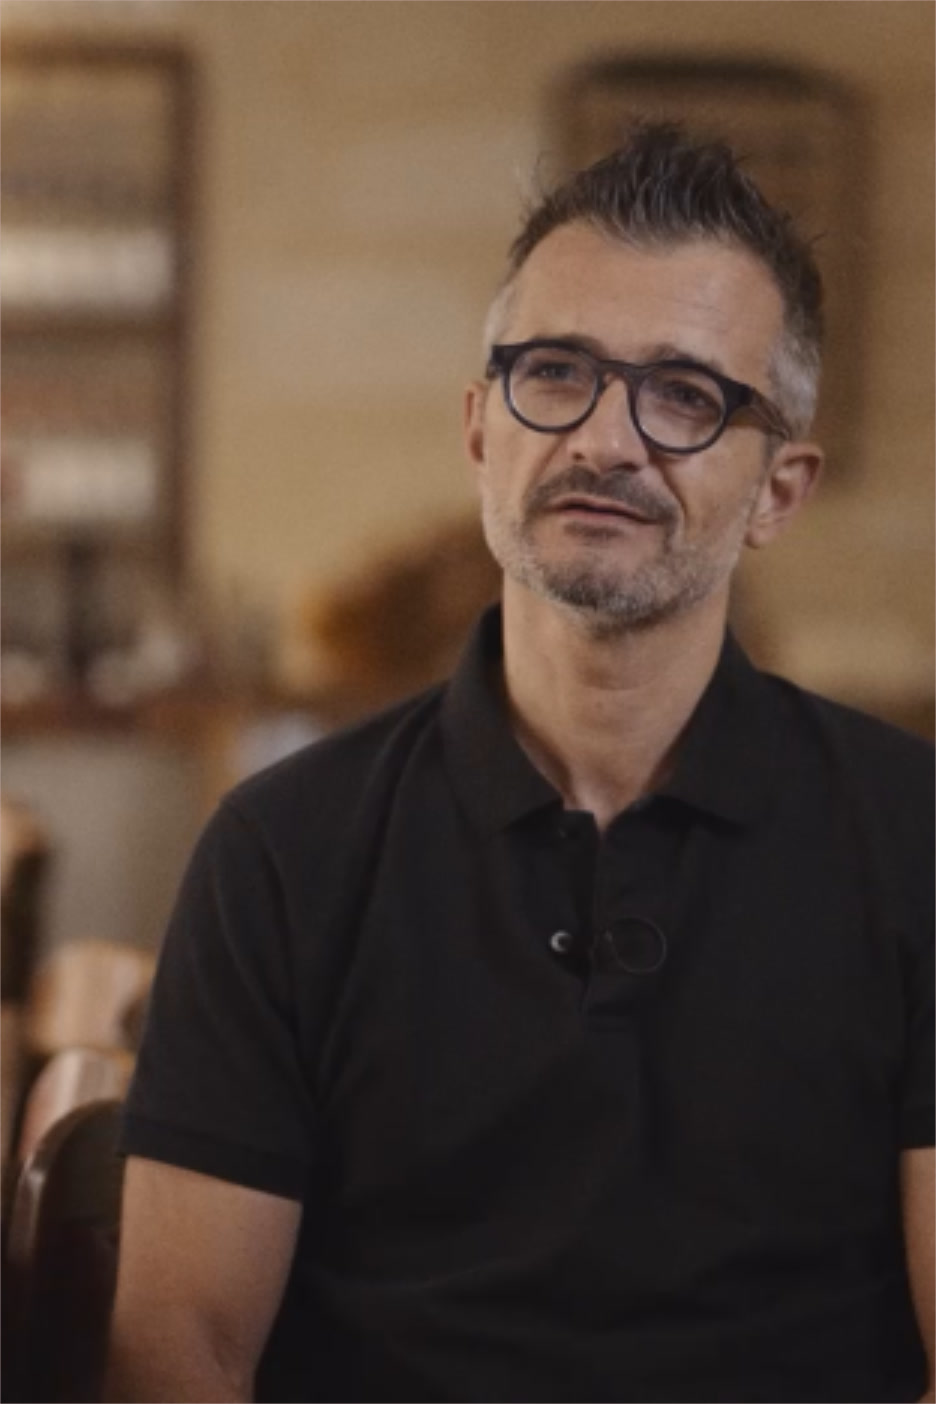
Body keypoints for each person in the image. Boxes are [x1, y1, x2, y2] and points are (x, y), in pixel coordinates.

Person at [105, 121, 934, 1404]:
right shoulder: (280, 851)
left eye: (685, 395)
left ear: (780, 490)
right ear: (481, 430)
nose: (606, 439)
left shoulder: (918, 841)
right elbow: (181, 1353)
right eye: (557, 372)